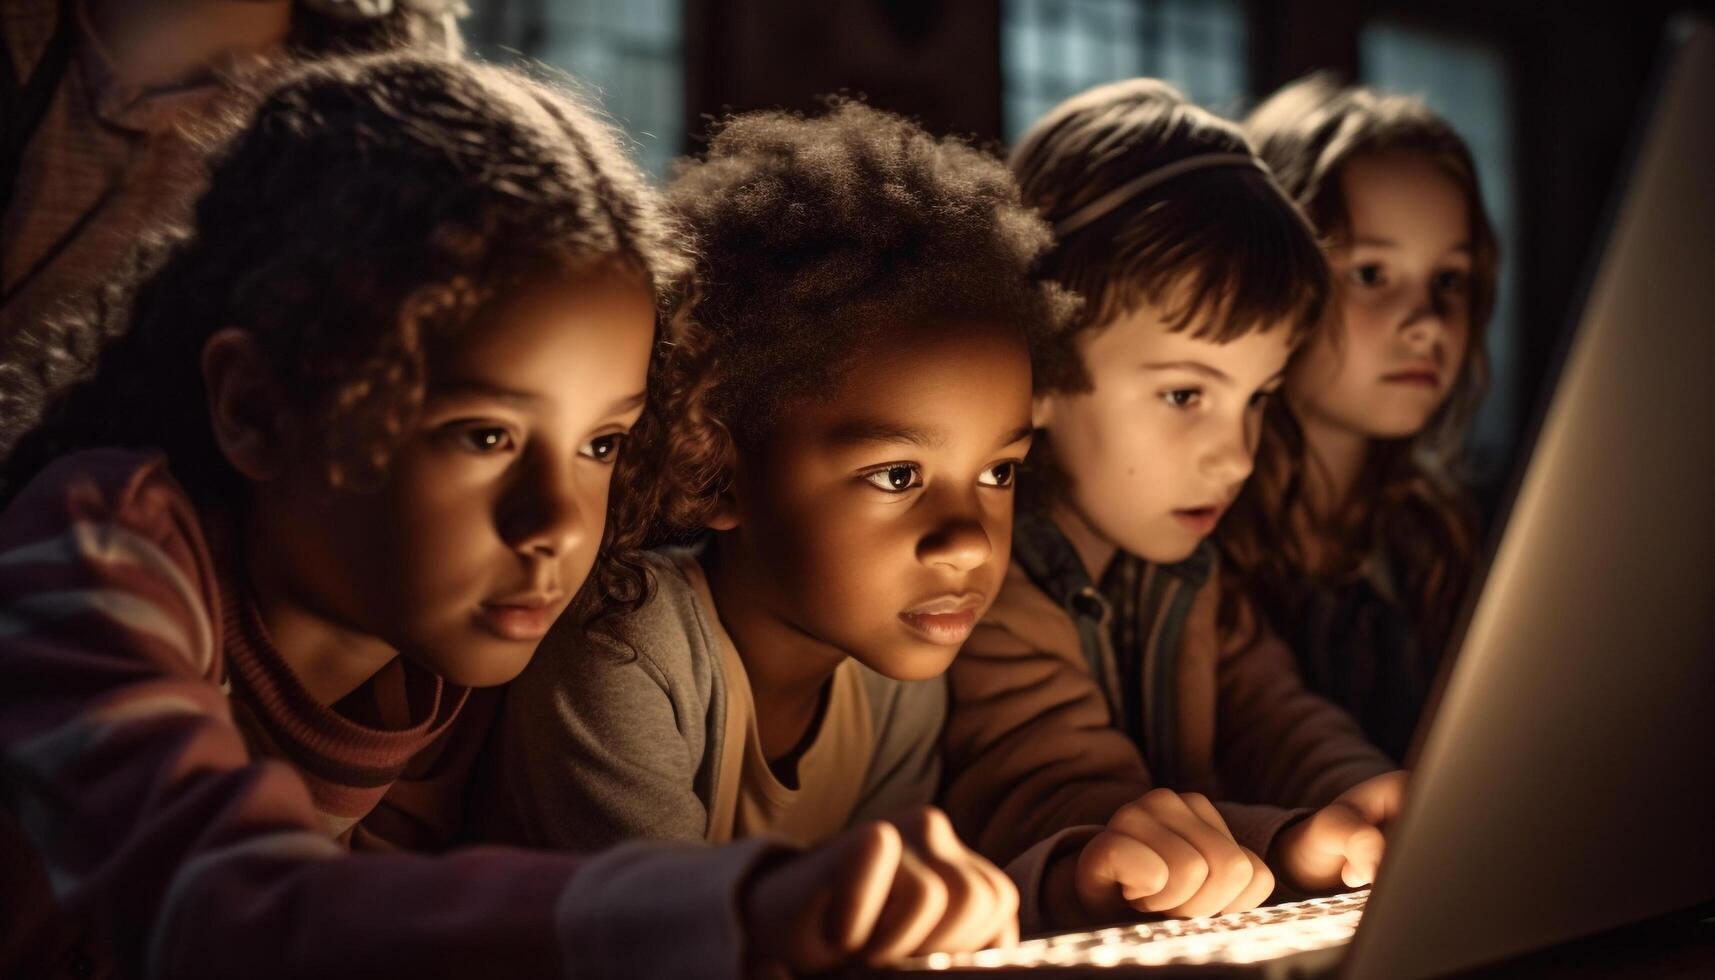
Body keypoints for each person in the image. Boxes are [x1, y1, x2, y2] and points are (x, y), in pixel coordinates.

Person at [0, 55, 1014, 979]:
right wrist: (740, 903)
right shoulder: (101, 555)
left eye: (601, 444)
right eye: (483, 435)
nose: (554, 522)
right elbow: (218, 910)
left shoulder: (481, 651)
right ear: (257, 408)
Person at [1228, 76, 1497, 762]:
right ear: (1280, 274)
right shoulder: (1194, 531)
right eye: (1372, 274)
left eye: (1449, 280)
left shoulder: (1447, 538)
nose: (1428, 324)